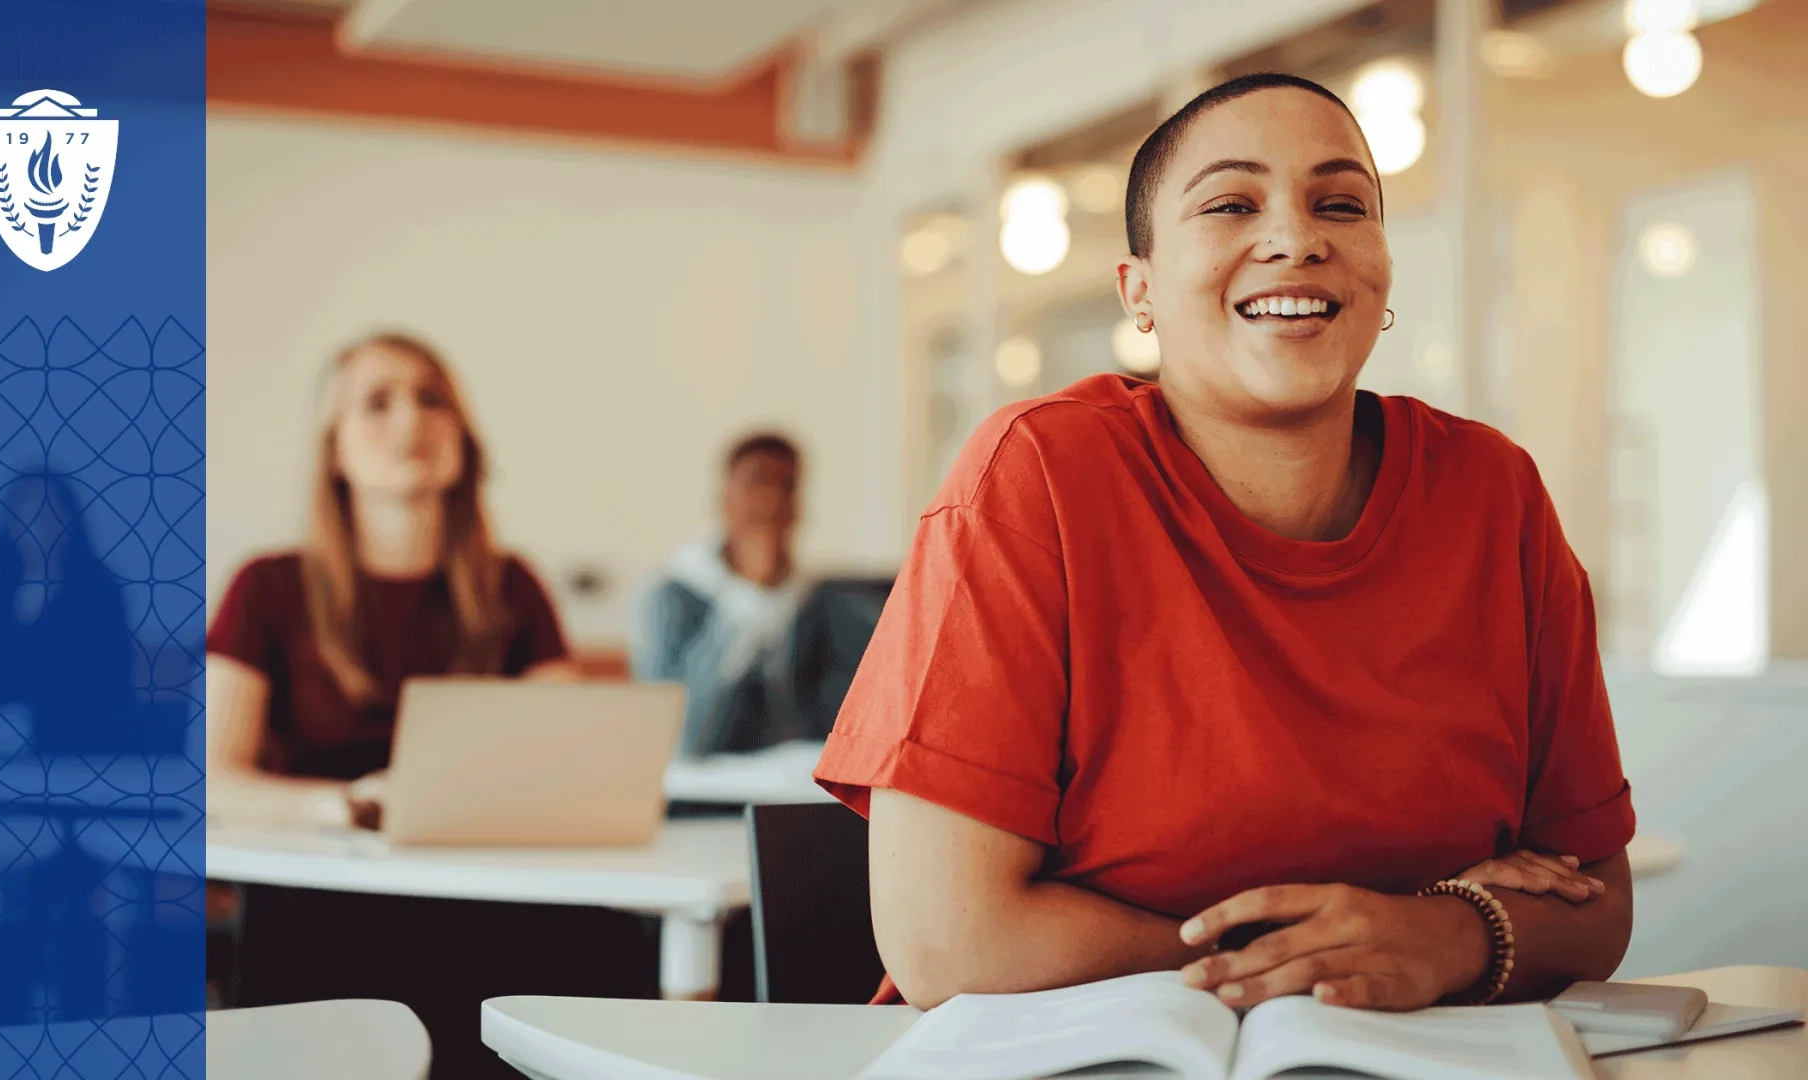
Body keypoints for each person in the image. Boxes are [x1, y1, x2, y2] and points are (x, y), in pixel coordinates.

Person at [814, 73, 1635, 1012]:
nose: (1297, 238)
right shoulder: (1035, 474)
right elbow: (949, 943)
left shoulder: (1497, 496)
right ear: (1141, 289)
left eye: (1341, 205)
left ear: (1382, 270)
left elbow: (1596, 903)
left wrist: (1443, 936)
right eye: (1232, 204)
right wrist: (1331, 960)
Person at [206, 333, 571, 829]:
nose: (411, 419)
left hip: (478, 877)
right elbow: (211, 778)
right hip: (316, 882)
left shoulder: (513, 587)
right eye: (378, 403)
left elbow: (569, 763)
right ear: (333, 450)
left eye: (432, 399)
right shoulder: (265, 587)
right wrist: (346, 805)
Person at [630, 432, 822, 757]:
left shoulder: (818, 604)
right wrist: (749, 598)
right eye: (757, 483)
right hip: (699, 797)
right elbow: (679, 739)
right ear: (723, 500)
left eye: (786, 486)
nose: (771, 501)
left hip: (790, 791)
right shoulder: (669, 599)